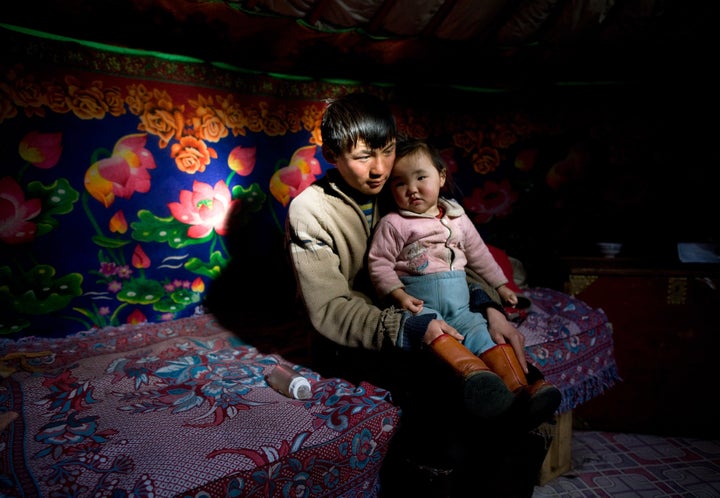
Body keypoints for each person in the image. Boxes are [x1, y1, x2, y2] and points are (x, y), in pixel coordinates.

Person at [285, 92, 552, 496]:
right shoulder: (310, 211)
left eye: (387, 151)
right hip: (362, 340)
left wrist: (489, 307)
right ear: (332, 154)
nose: (379, 169)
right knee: (453, 389)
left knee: (518, 382)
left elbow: (448, 259)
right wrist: (410, 326)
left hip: (430, 314)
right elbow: (331, 310)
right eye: (362, 157)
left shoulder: (403, 184)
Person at [368, 137, 561, 426]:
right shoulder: (394, 224)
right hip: (422, 306)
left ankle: (522, 389)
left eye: (421, 177)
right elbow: (378, 262)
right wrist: (397, 293)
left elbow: (479, 254)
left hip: (461, 308)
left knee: (483, 335)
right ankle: (477, 380)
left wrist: (500, 286)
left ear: (441, 177)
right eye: (399, 183)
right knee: (441, 341)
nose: (412, 189)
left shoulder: (457, 217)